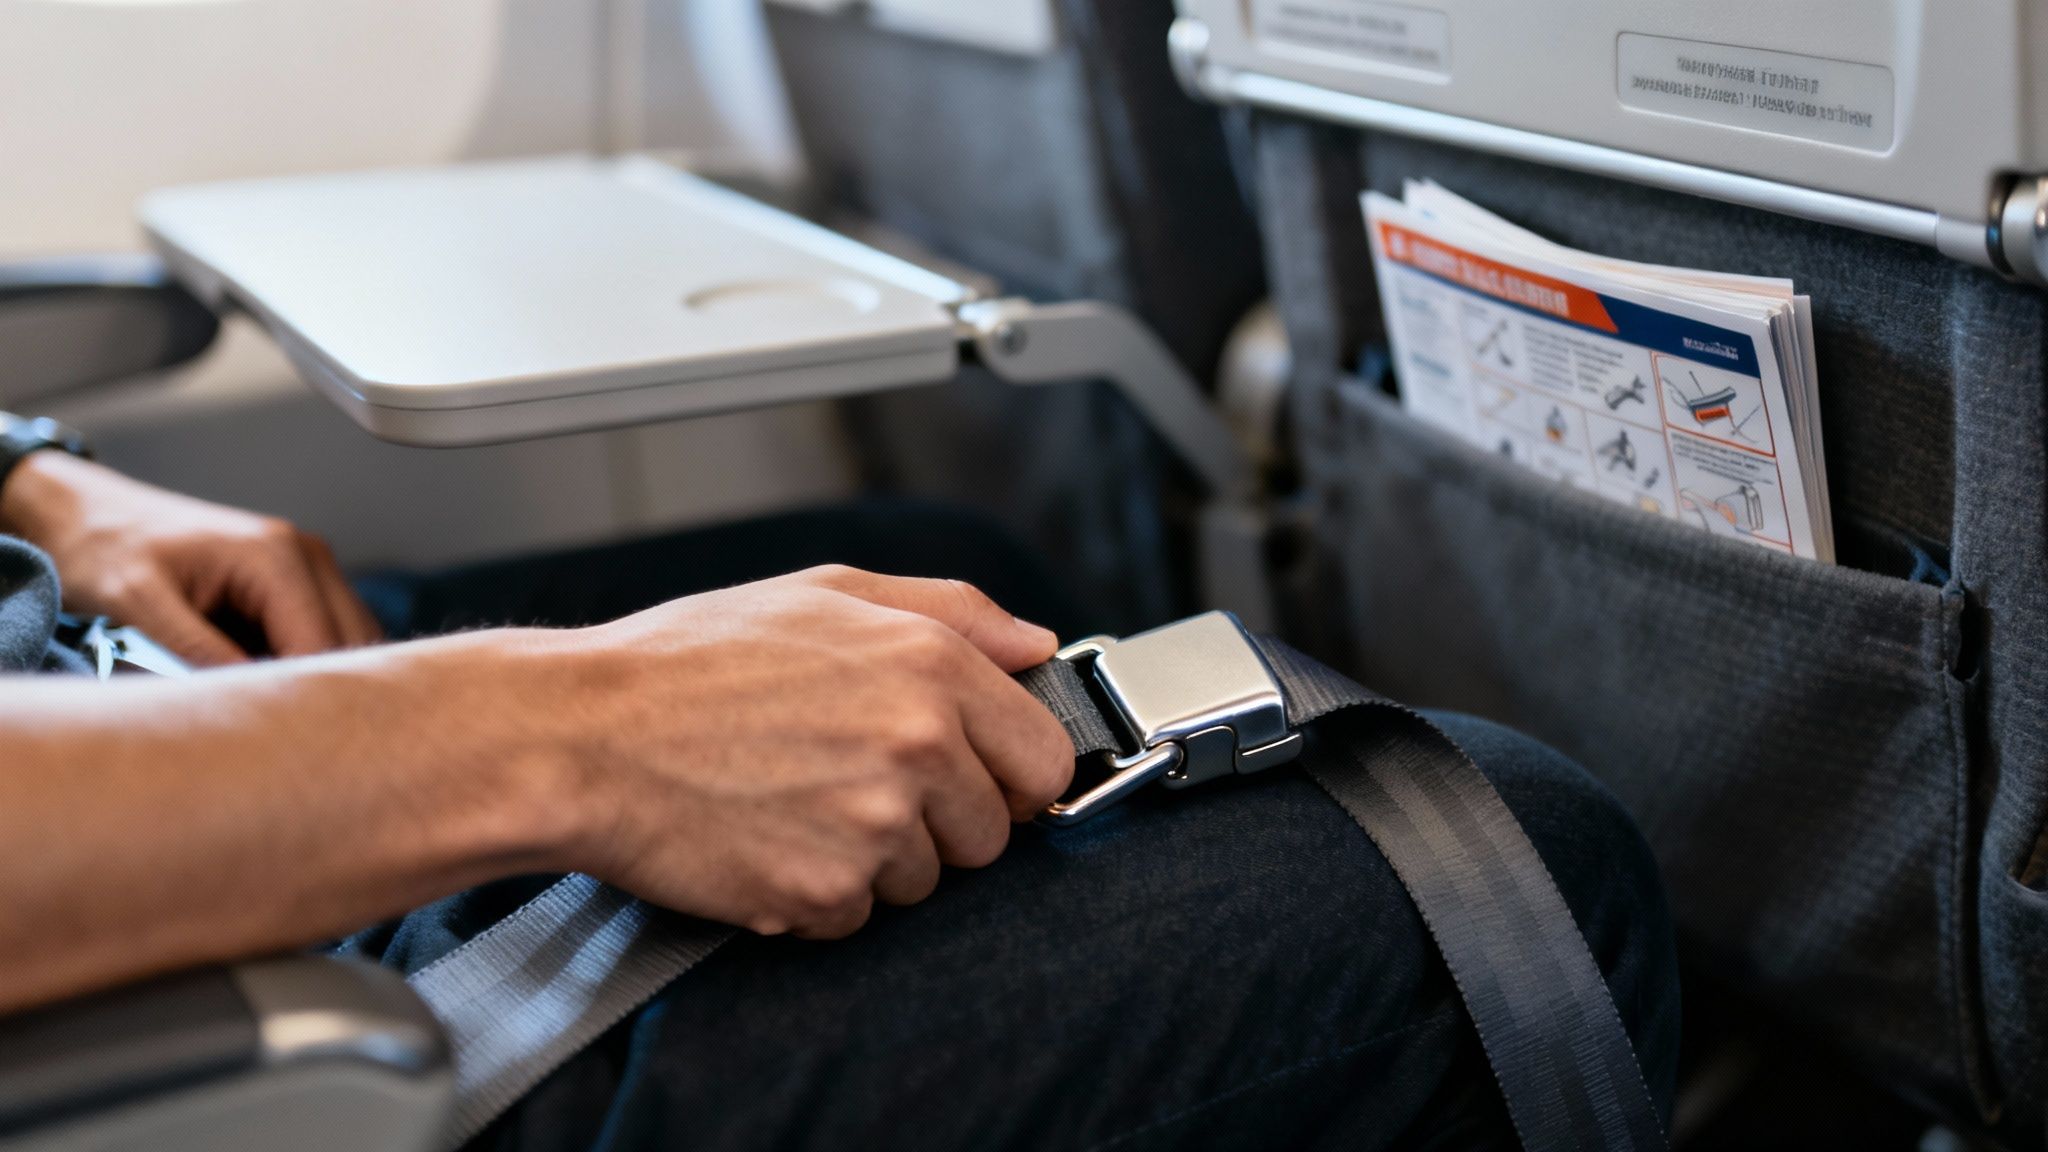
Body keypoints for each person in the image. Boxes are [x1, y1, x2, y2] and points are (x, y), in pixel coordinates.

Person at [0, 427, 1681, 1150]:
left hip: (98, 696)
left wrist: (36, 482)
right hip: (135, 977)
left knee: (954, 566)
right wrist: (562, 732)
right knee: (1508, 859)